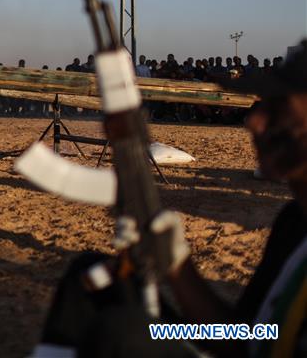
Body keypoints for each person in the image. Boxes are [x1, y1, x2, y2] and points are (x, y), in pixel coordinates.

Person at [38, 39, 307, 357]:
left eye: (277, 108)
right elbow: (242, 335)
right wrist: (178, 267)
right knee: (90, 280)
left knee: (122, 332)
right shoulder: (294, 222)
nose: (254, 120)